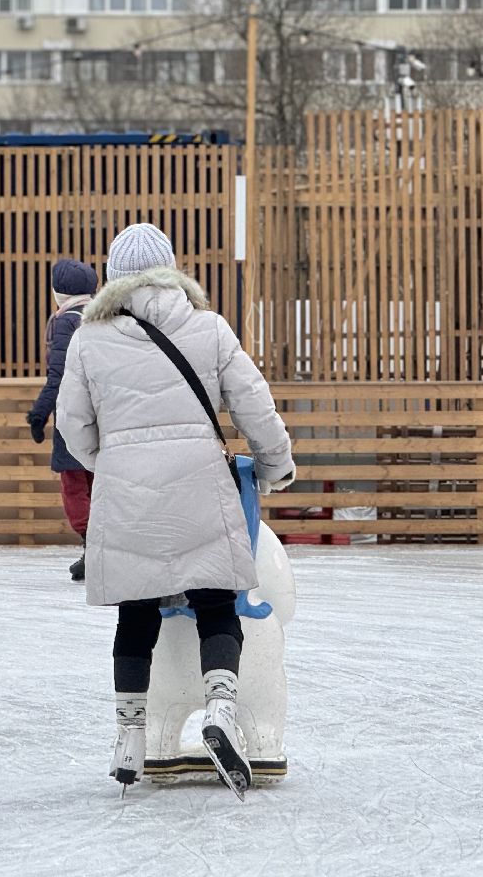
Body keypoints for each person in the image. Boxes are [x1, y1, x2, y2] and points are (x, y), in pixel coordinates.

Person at [56, 223, 295, 799]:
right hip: (199, 487)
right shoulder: (208, 327)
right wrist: (276, 464)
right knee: (217, 603)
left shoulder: (88, 339)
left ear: (112, 276)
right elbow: (253, 402)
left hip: (128, 493)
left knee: (135, 614)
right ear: (170, 270)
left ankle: (131, 738)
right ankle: (219, 708)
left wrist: (111, 462)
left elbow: (71, 425)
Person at [25, 258, 98, 581]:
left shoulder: (65, 322)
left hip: (74, 415)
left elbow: (59, 376)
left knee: (74, 486)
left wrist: (39, 414)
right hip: (105, 415)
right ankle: (99, 549)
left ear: (59, 292)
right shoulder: (104, 317)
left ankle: (92, 547)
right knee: (98, 484)